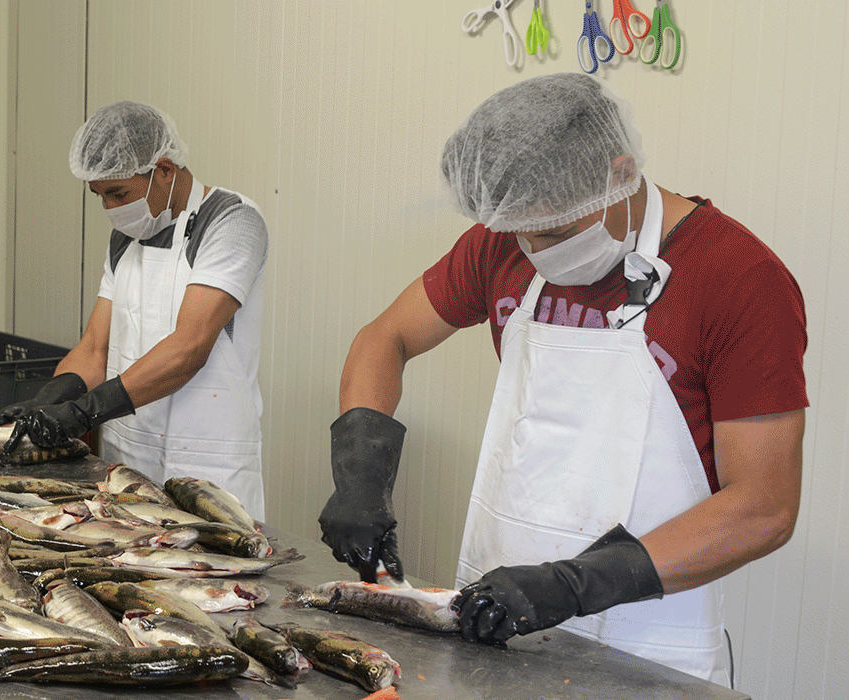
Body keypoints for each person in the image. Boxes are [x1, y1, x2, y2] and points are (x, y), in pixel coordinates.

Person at [319, 73, 806, 685]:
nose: (533, 249)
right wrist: (361, 474)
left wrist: (572, 582)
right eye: (518, 232)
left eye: (552, 232)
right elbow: (383, 339)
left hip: (650, 645)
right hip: (492, 622)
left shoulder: (738, 277)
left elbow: (763, 509)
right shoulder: (501, 246)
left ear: (621, 174)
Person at [0, 101, 270, 518]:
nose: (110, 208)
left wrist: (85, 411)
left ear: (163, 170)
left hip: (207, 471)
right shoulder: (127, 237)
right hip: (126, 466)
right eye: (100, 196)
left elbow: (189, 347)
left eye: (118, 193)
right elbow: (94, 348)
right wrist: (49, 399)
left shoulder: (231, 222)